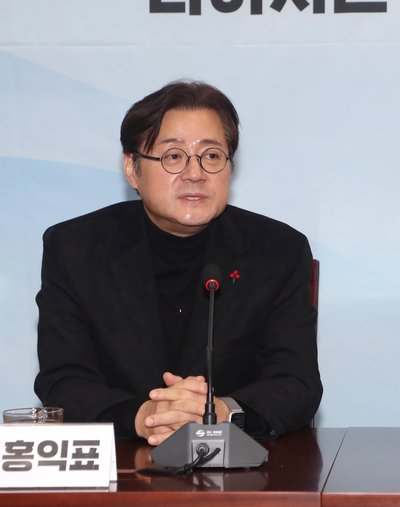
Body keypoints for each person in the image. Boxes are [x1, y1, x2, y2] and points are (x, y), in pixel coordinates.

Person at [35, 80, 322, 444]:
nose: (195, 173)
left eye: (212, 156)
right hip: (123, 463)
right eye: (173, 156)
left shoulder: (278, 251)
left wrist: (222, 412)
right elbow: (63, 380)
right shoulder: (75, 249)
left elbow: (297, 382)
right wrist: (144, 417)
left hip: (242, 467)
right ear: (132, 168)